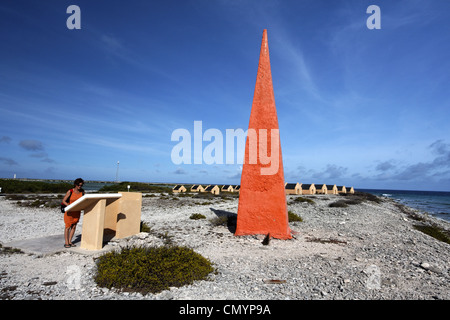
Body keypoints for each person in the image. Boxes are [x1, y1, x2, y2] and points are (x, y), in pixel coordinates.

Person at [62, 178, 85, 248]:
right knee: (67, 226)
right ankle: (66, 242)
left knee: (74, 226)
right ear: (75, 184)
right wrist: (69, 206)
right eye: (78, 185)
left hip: (77, 211)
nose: (79, 186)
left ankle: (70, 241)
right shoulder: (70, 191)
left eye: (81, 185)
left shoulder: (82, 192)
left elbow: (83, 201)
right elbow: (63, 201)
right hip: (69, 211)